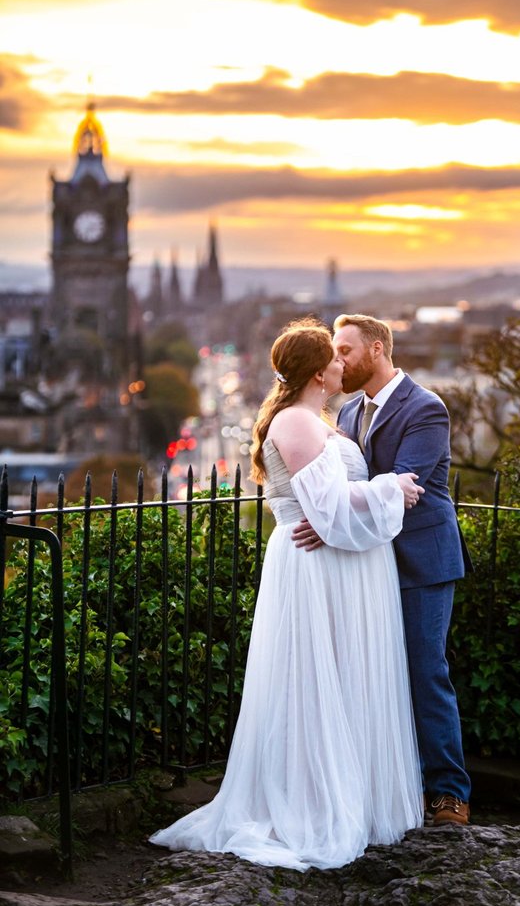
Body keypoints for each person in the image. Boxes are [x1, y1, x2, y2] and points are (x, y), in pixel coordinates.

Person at [150, 319, 424, 871]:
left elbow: (332, 503)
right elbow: (326, 506)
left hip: (339, 566)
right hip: (314, 567)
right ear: (320, 372)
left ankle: (351, 793)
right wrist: (390, 487)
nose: (344, 363)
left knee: (341, 677)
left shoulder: (317, 418)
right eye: (336, 357)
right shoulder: (296, 421)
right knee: (311, 682)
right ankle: (312, 803)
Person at [293, 314, 472, 825]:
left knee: (425, 670)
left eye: (345, 350)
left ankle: (449, 792)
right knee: (376, 672)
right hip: (367, 564)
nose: (338, 360)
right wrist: (328, 518)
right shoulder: (348, 411)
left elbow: (404, 485)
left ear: (376, 349)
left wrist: (332, 520)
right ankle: (389, 787)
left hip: (422, 562)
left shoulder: (426, 408)